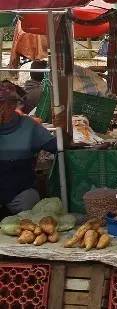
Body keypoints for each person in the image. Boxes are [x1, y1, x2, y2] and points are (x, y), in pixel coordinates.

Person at [0, 81, 58, 215]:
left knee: (29, 201)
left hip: (20, 190)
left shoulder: (28, 125)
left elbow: (55, 146)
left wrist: (65, 138)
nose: (3, 108)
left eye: (5, 104)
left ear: (13, 105)